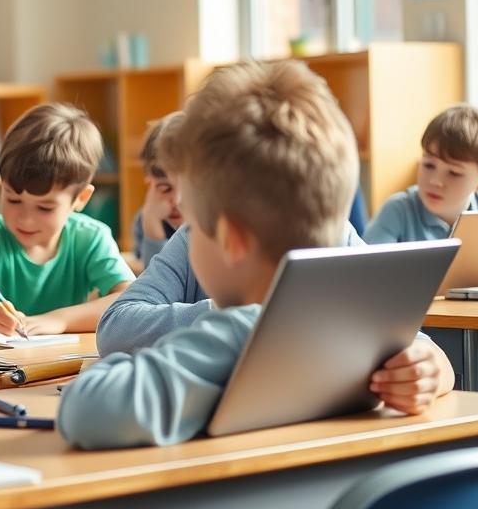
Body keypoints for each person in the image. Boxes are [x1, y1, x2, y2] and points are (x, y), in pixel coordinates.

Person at [60, 60, 454, 451]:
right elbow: (415, 342)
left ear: (230, 239)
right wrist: (431, 370)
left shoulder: (229, 336)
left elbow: (84, 410)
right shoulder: (349, 319)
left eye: (193, 223)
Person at [0, 103, 134, 335]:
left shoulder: (91, 237)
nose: (25, 220)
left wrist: (59, 320)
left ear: (80, 198)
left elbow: (128, 301)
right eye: (13, 200)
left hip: (65, 365)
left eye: (44, 208)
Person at [365, 103, 478, 243]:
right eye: (428, 165)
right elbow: (368, 264)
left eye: (454, 173)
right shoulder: (397, 211)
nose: (434, 181)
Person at [128, 111, 184, 273]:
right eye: (165, 188)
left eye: (188, 190)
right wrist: (152, 227)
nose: (177, 200)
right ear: (149, 182)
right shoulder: (146, 219)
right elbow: (155, 288)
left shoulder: (211, 224)